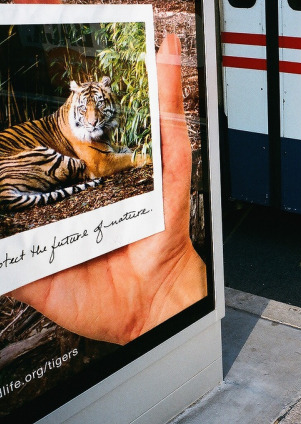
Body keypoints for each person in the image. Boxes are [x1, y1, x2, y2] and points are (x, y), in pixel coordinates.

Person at [8, 34, 207, 346]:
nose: (91, 118)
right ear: (73, 107)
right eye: (85, 109)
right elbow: (99, 167)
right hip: (13, 172)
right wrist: (136, 158)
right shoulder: (65, 130)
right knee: (78, 166)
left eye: (99, 106)